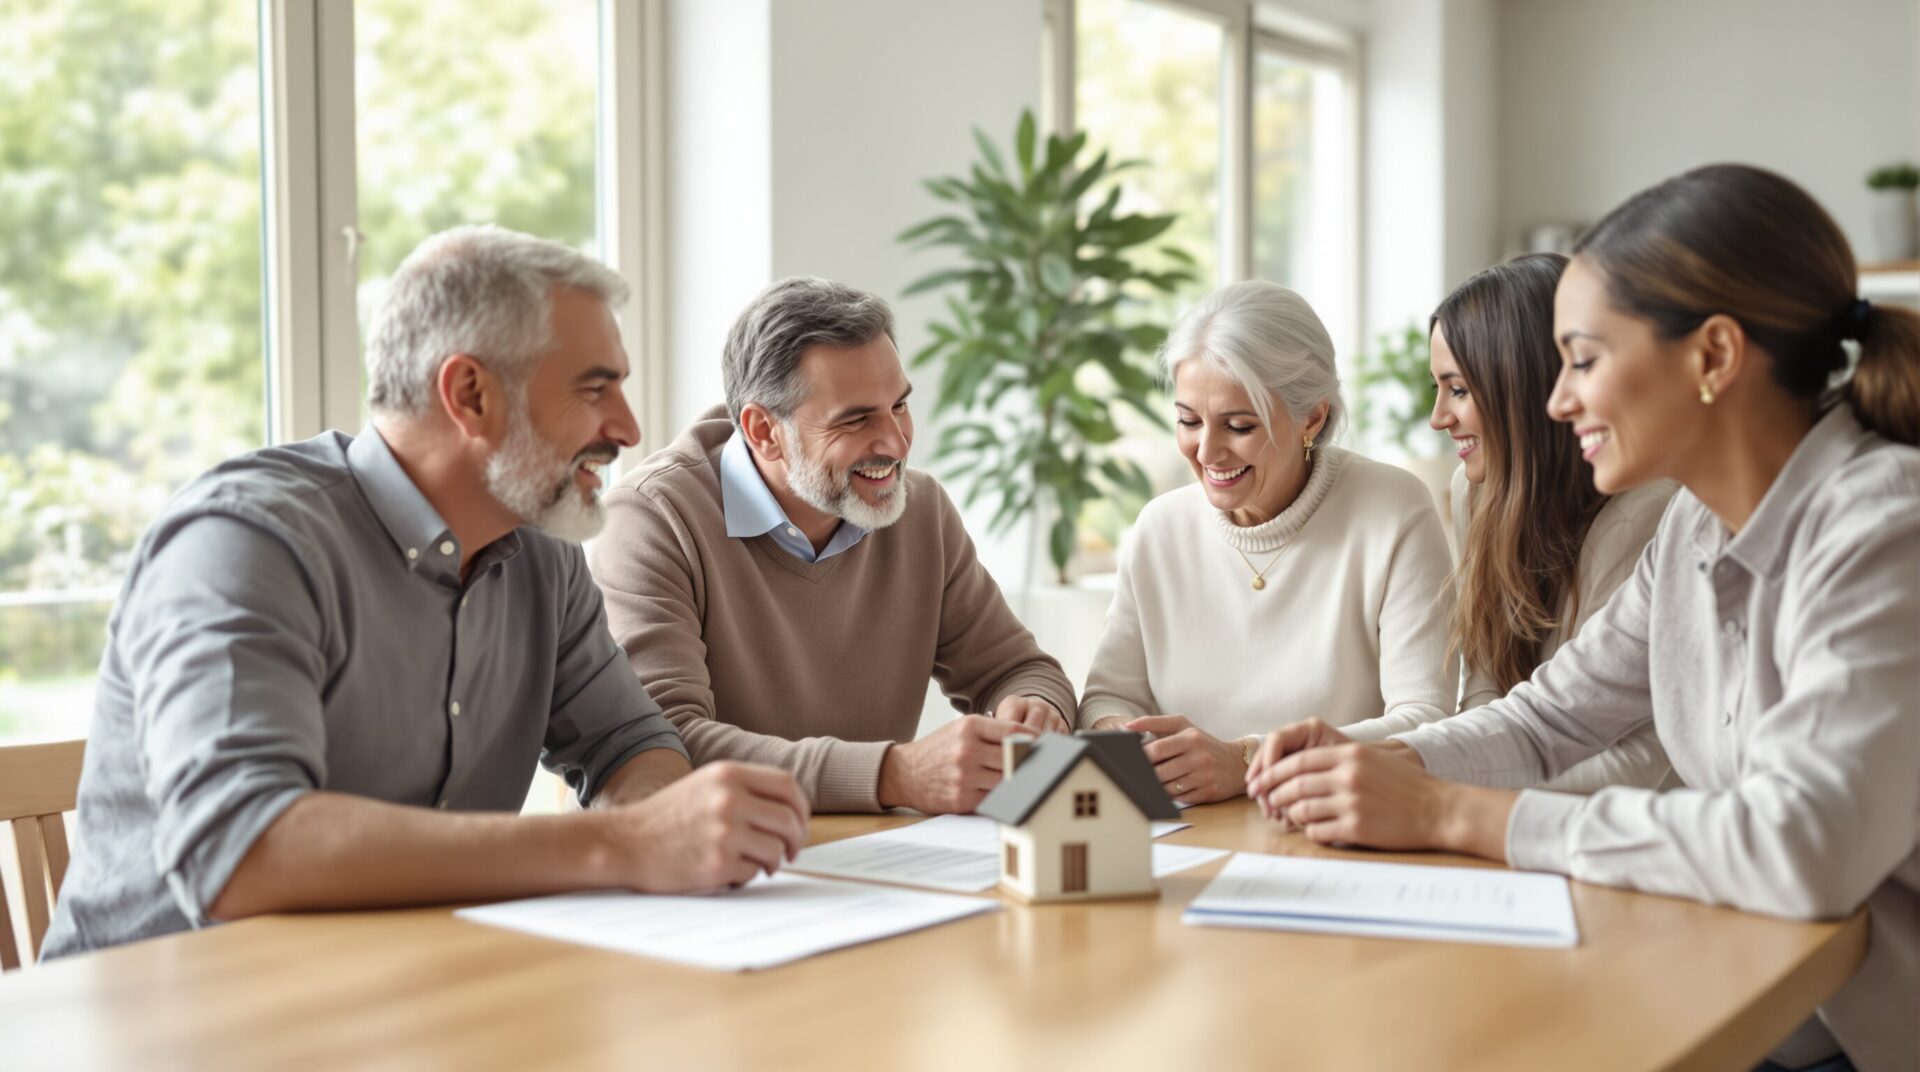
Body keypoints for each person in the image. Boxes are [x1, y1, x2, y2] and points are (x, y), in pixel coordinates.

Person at [1248, 165, 1920, 1072]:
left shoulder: (1885, 527)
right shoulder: (1694, 527)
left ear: (1714, 357)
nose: (1559, 400)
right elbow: (1548, 718)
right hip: (1763, 1005)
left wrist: (1448, 813)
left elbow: (1803, 848)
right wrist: (1383, 762)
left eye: (1585, 360)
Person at [42, 226, 809, 960]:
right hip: (164, 1011)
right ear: (471, 394)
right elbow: (239, 851)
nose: (629, 428)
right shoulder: (246, 541)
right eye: (595, 388)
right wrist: (622, 844)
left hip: (396, 989)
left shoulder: (541, 549)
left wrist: (664, 825)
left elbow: (629, 744)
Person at [589, 277, 1076, 815]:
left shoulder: (921, 512)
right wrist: (894, 775)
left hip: (868, 852)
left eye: (900, 405)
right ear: (763, 430)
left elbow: (1017, 669)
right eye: (857, 419)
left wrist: (1033, 707)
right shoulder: (650, 519)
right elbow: (662, 747)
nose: (896, 443)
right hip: (696, 858)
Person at [1077, 280, 1457, 805]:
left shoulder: (1393, 510)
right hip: (1188, 828)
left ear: (1313, 418)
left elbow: (1426, 722)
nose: (1206, 451)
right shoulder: (1159, 528)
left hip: (1332, 824)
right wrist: (1129, 738)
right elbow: (1105, 698)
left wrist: (1248, 760)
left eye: (1238, 426)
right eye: (1188, 420)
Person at [1428, 252, 1674, 792]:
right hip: (1524, 804)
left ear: (1525, 387)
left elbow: (1640, 758)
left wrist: (1450, 800)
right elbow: (1486, 687)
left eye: (1459, 389)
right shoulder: (1475, 492)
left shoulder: (1645, 514)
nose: (1438, 417)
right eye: (1437, 388)